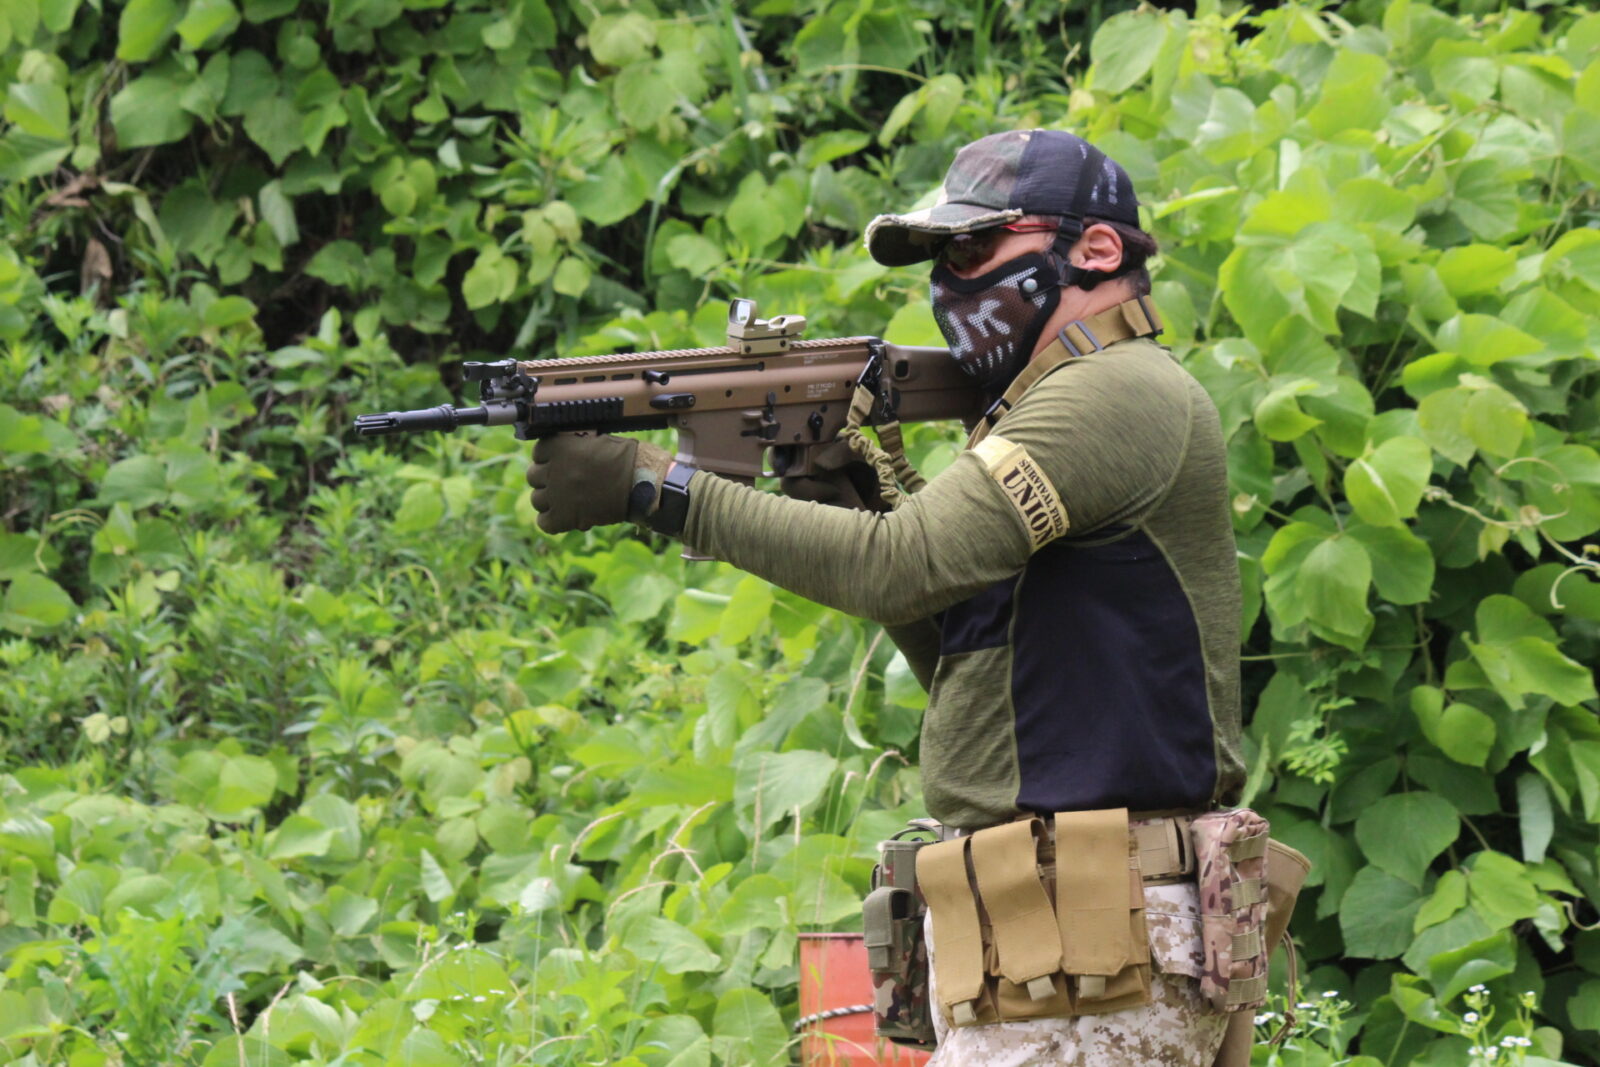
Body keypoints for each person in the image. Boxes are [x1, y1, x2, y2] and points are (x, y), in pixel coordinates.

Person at [527, 129, 1245, 1065]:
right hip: (1058, 943)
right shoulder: (1055, 407)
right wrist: (850, 503)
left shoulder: (1115, 390)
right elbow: (969, 657)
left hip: (1099, 944)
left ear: (1098, 249)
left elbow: (899, 563)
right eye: (940, 260)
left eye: (975, 250)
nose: (950, 283)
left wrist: (652, 487)